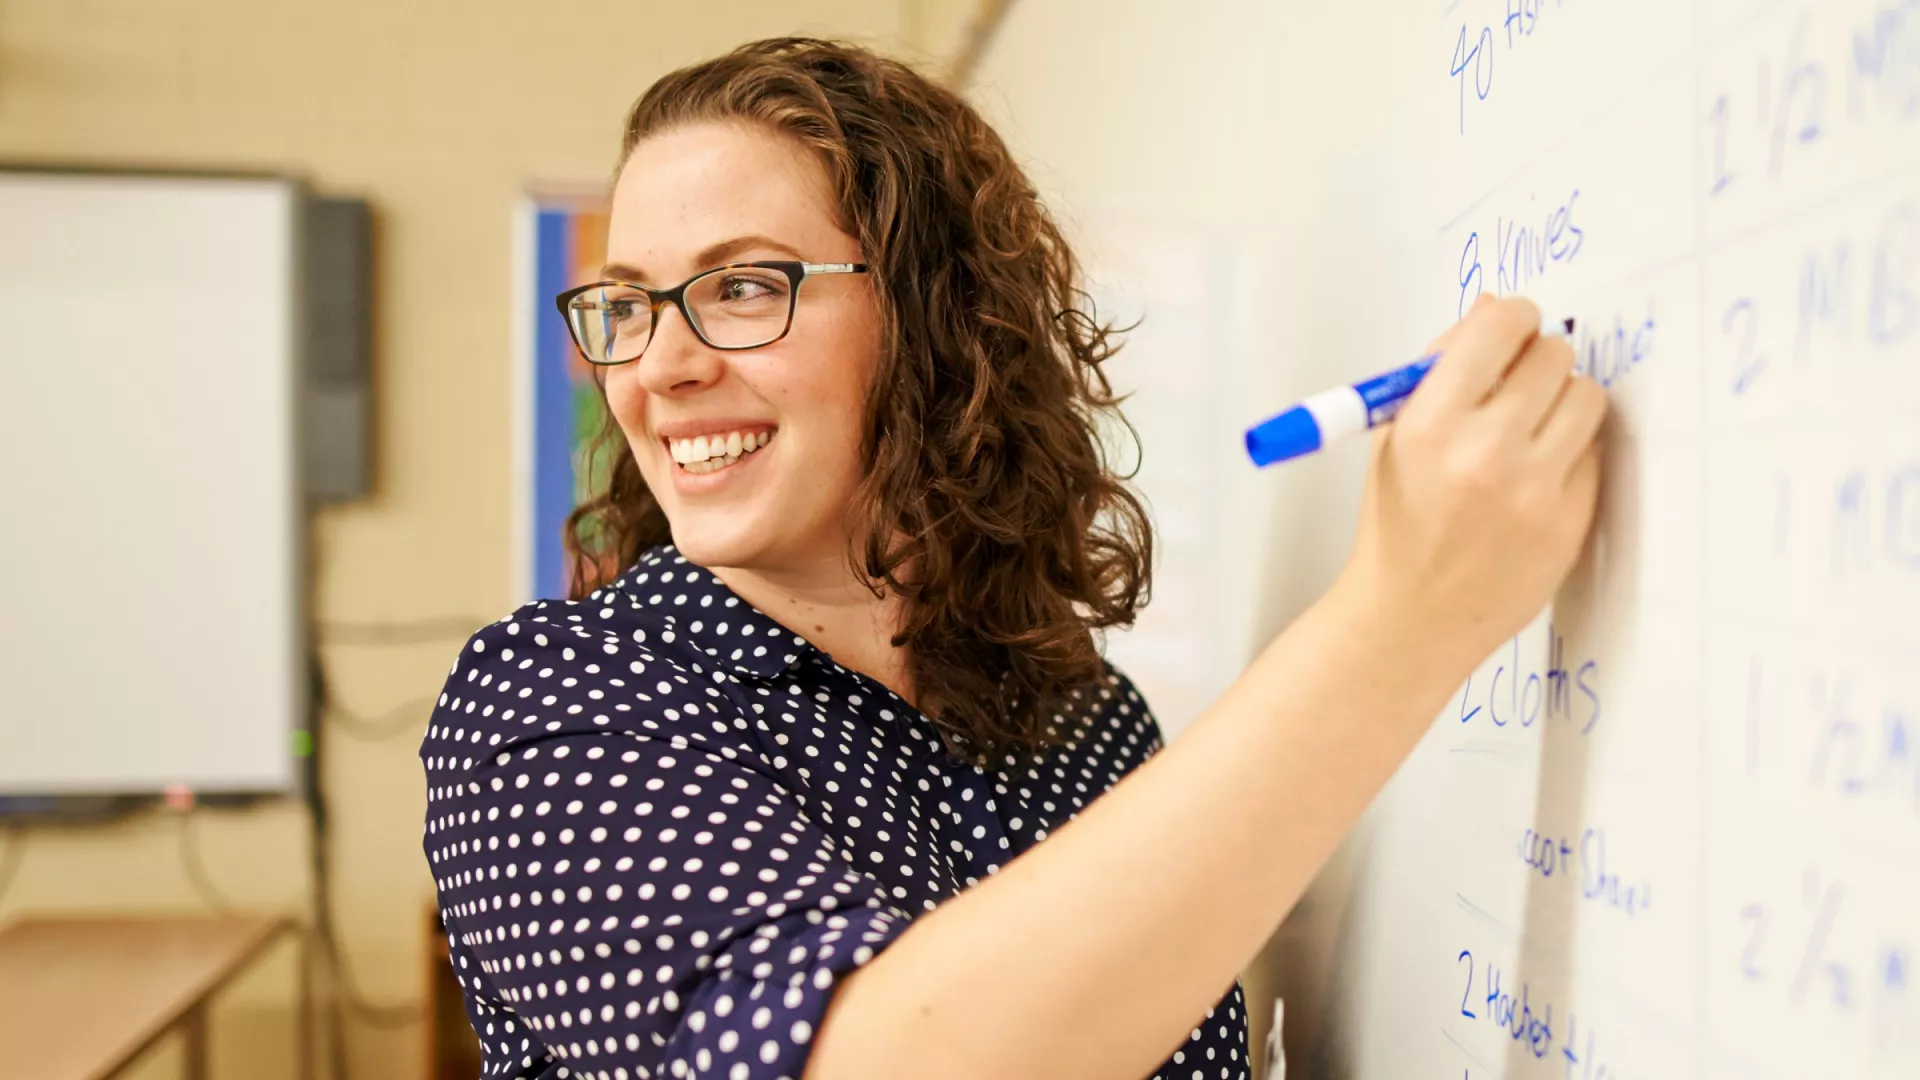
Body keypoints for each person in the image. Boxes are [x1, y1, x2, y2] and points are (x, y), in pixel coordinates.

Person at [418, 36, 1605, 1080]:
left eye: (740, 286)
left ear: (934, 321)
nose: (658, 366)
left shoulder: (1081, 718)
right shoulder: (550, 707)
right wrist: (1403, 617)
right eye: (628, 304)